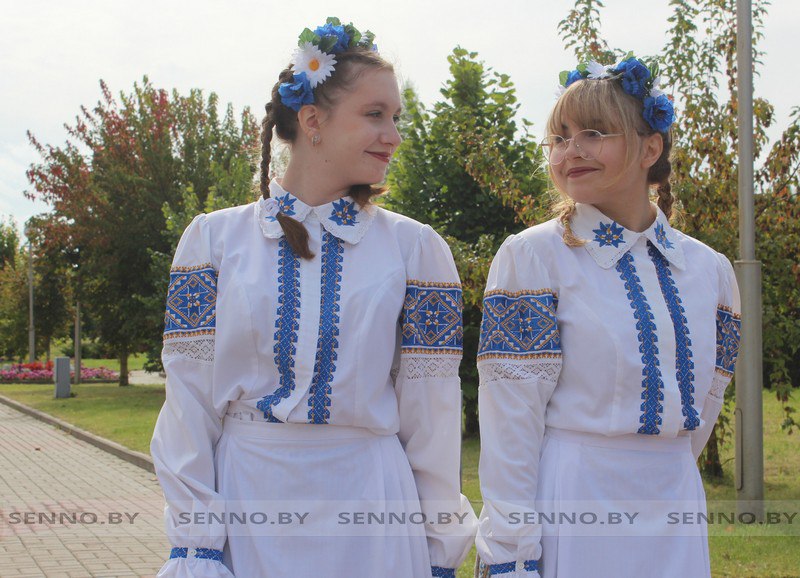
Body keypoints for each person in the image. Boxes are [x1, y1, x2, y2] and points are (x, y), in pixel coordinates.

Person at [151, 18, 476, 578]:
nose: (394, 135)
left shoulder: (416, 250)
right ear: (312, 120)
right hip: (251, 500)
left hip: (374, 507)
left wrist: (440, 546)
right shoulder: (212, 241)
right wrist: (197, 542)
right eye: (375, 114)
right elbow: (189, 401)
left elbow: (433, 413)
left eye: (396, 118)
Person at [474, 56, 742, 577]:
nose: (570, 150)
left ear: (650, 148)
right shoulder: (533, 256)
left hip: (675, 501)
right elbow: (511, 416)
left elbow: (707, 402)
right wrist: (511, 546)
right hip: (577, 498)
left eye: (593, 133)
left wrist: (660, 465)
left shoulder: (710, 271)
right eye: (559, 138)